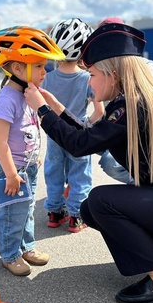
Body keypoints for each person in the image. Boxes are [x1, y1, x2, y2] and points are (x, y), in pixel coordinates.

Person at [24, 22, 153, 303]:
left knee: (101, 201)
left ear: (113, 75)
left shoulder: (130, 106)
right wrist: (56, 107)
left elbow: (80, 145)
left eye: (92, 74)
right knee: (89, 209)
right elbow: (89, 135)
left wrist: (42, 111)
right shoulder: (131, 101)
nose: (90, 82)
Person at [0, 26, 66, 276]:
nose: (45, 72)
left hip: (28, 166)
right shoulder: (7, 98)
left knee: (28, 208)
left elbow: (31, 127)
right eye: (40, 66)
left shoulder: (28, 94)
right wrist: (11, 174)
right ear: (18, 68)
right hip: (13, 170)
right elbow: (0, 141)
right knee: (12, 212)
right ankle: (10, 255)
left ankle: (27, 247)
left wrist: (36, 155)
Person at [42, 18, 105, 233]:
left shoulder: (46, 79)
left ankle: (54, 212)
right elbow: (99, 112)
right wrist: (85, 124)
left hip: (54, 135)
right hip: (78, 134)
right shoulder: (88, 78)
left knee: (54, 172)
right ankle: (76, 217)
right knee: (80, 174)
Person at [96, 16, 153, 185]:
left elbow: (137, 95)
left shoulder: (146, 65)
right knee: (85, 139)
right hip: (117, 127)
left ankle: (145, 184)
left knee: (110, 161)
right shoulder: (101, 67)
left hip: (139, 131)